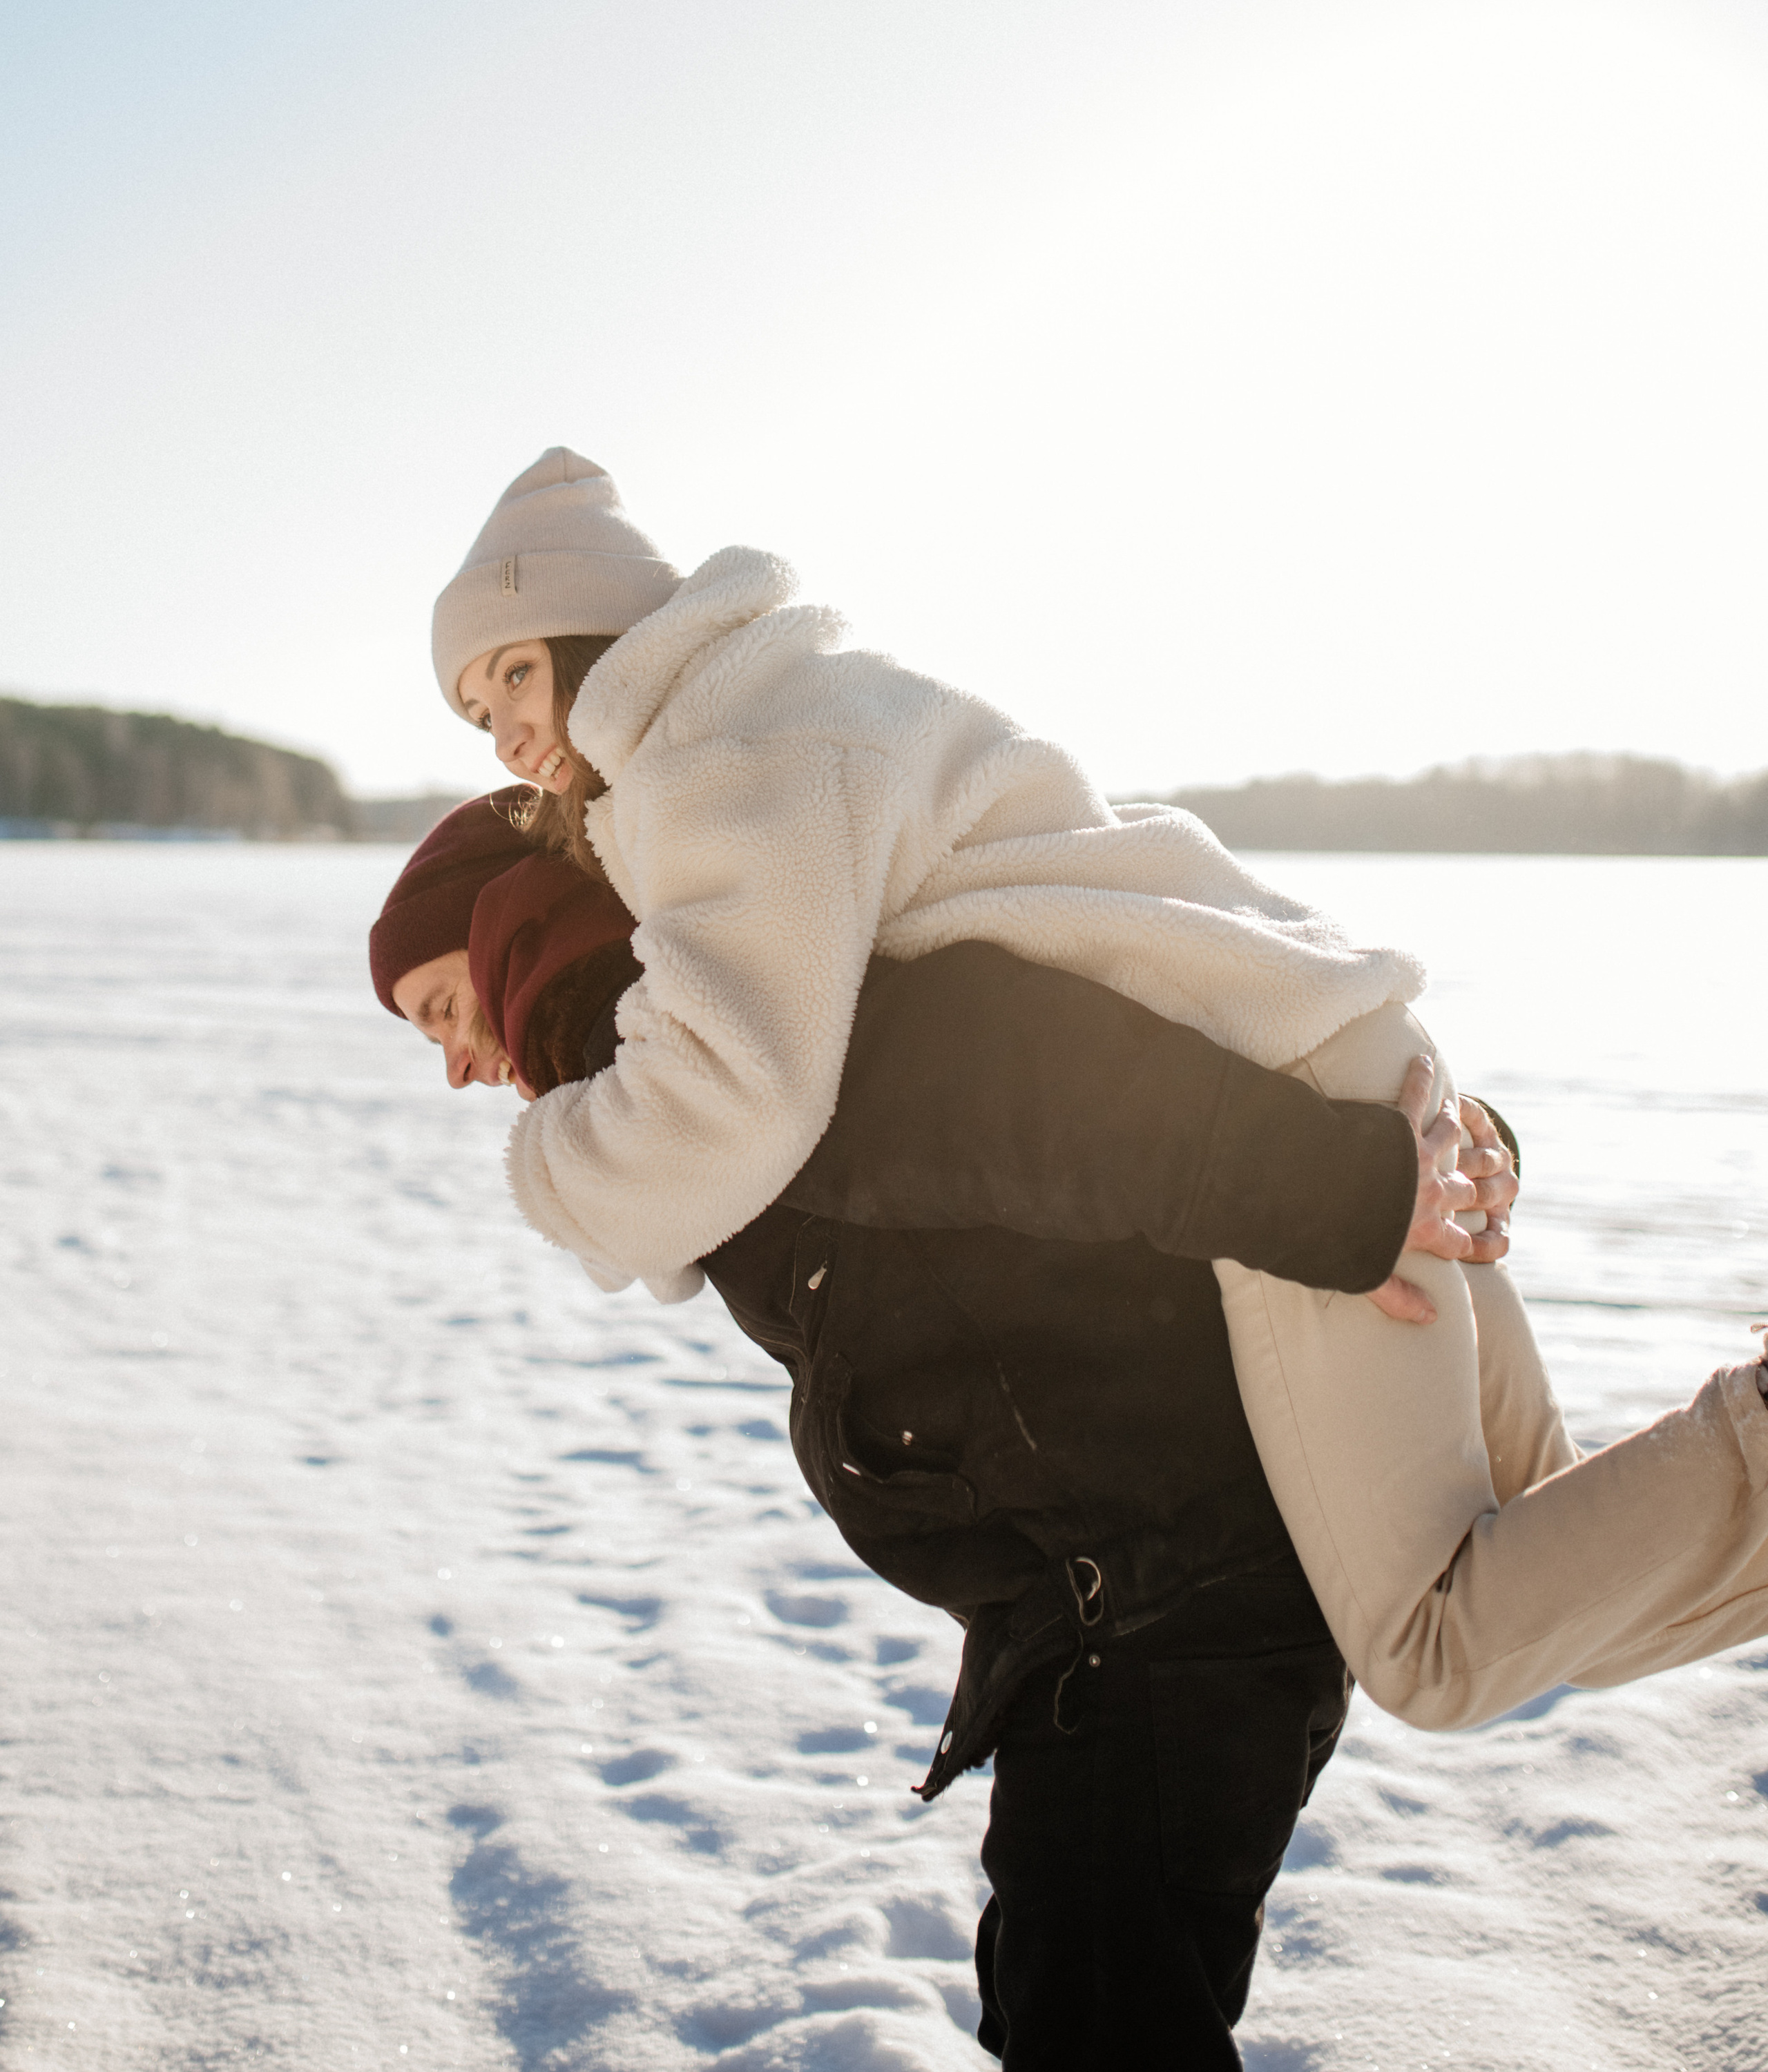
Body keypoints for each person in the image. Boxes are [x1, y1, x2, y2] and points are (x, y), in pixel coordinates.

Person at [423, 448, 1768, 1733]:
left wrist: (555, 1169)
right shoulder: (805, 696)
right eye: (478, 716)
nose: (505, 737)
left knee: (1433, 1640)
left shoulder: (722, 756)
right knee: (1574, 1557)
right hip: (1335, 1048)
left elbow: (735, 1097)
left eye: (512, 680)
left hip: (1295, 1122)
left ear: (591, 625)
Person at [370, 795, 1514, 2072]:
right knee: (1081, 2060)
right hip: (1088, 1620)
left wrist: (1352, 1183)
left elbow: (1055, 1097)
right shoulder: (686, 1099)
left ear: (512, 942)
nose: (454, 1070)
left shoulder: (756, 1045)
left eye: (439, 1011)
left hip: (1162, 1610)